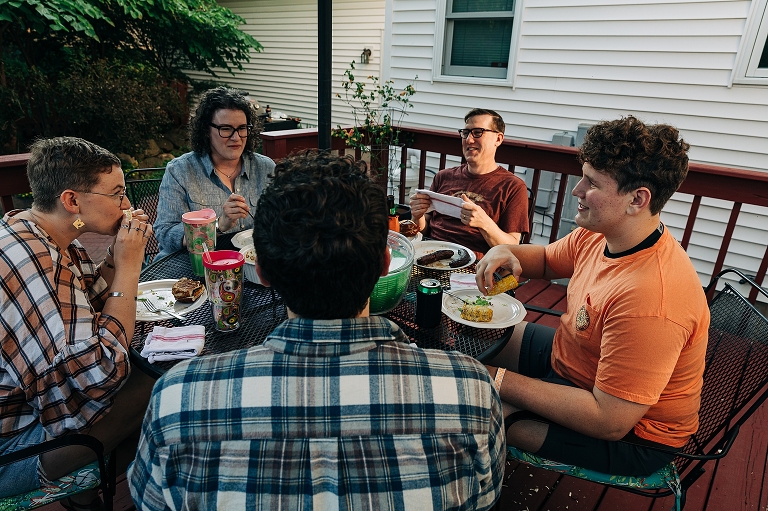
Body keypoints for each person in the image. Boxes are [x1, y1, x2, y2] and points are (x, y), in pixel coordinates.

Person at [129, 151, 505, 510]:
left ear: (262, 271)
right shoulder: (470, 391)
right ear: (384, 264)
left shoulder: (176, 403)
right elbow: (485, 498)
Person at [475, 116, 710, 476]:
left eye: (592, 183)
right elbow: (547, 259)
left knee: (471, 409)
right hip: (575, 362)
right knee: (478, 333)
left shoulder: (653, 300)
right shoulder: (604, 232)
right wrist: (503, 252)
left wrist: (494, 377)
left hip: (631, 437)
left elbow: (608, 420)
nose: (576, 190)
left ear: (637, 199)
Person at [0, 137, 156, 507]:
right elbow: (96, 375)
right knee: (164, 385)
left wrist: (119, 260)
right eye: (117, 194)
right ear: (72, 201)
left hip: (29, 411)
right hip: (12, 450)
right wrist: (131, 266)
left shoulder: (49, 236)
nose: (127, 205)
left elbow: (94, 307)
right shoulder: (28, 261)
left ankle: (86, 499)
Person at [154, 86, 275, 260]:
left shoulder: (266, 168)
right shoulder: (180, 171)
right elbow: (165, 233)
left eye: (242, 128)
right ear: (206, 130)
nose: (236, 137)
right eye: (226, 129)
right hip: (191, 268)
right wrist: (216, 226)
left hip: (252, 265)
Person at [409, 108, 529, 255]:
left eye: (478, 132)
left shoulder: (513, 187)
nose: (469, 140)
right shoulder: (443, 177)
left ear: (498, 139)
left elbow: (513, 248)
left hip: (476, 267)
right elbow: (424, 229)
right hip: (431, 255)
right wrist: (417, 216)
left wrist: (484, 223)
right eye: (466, 133)